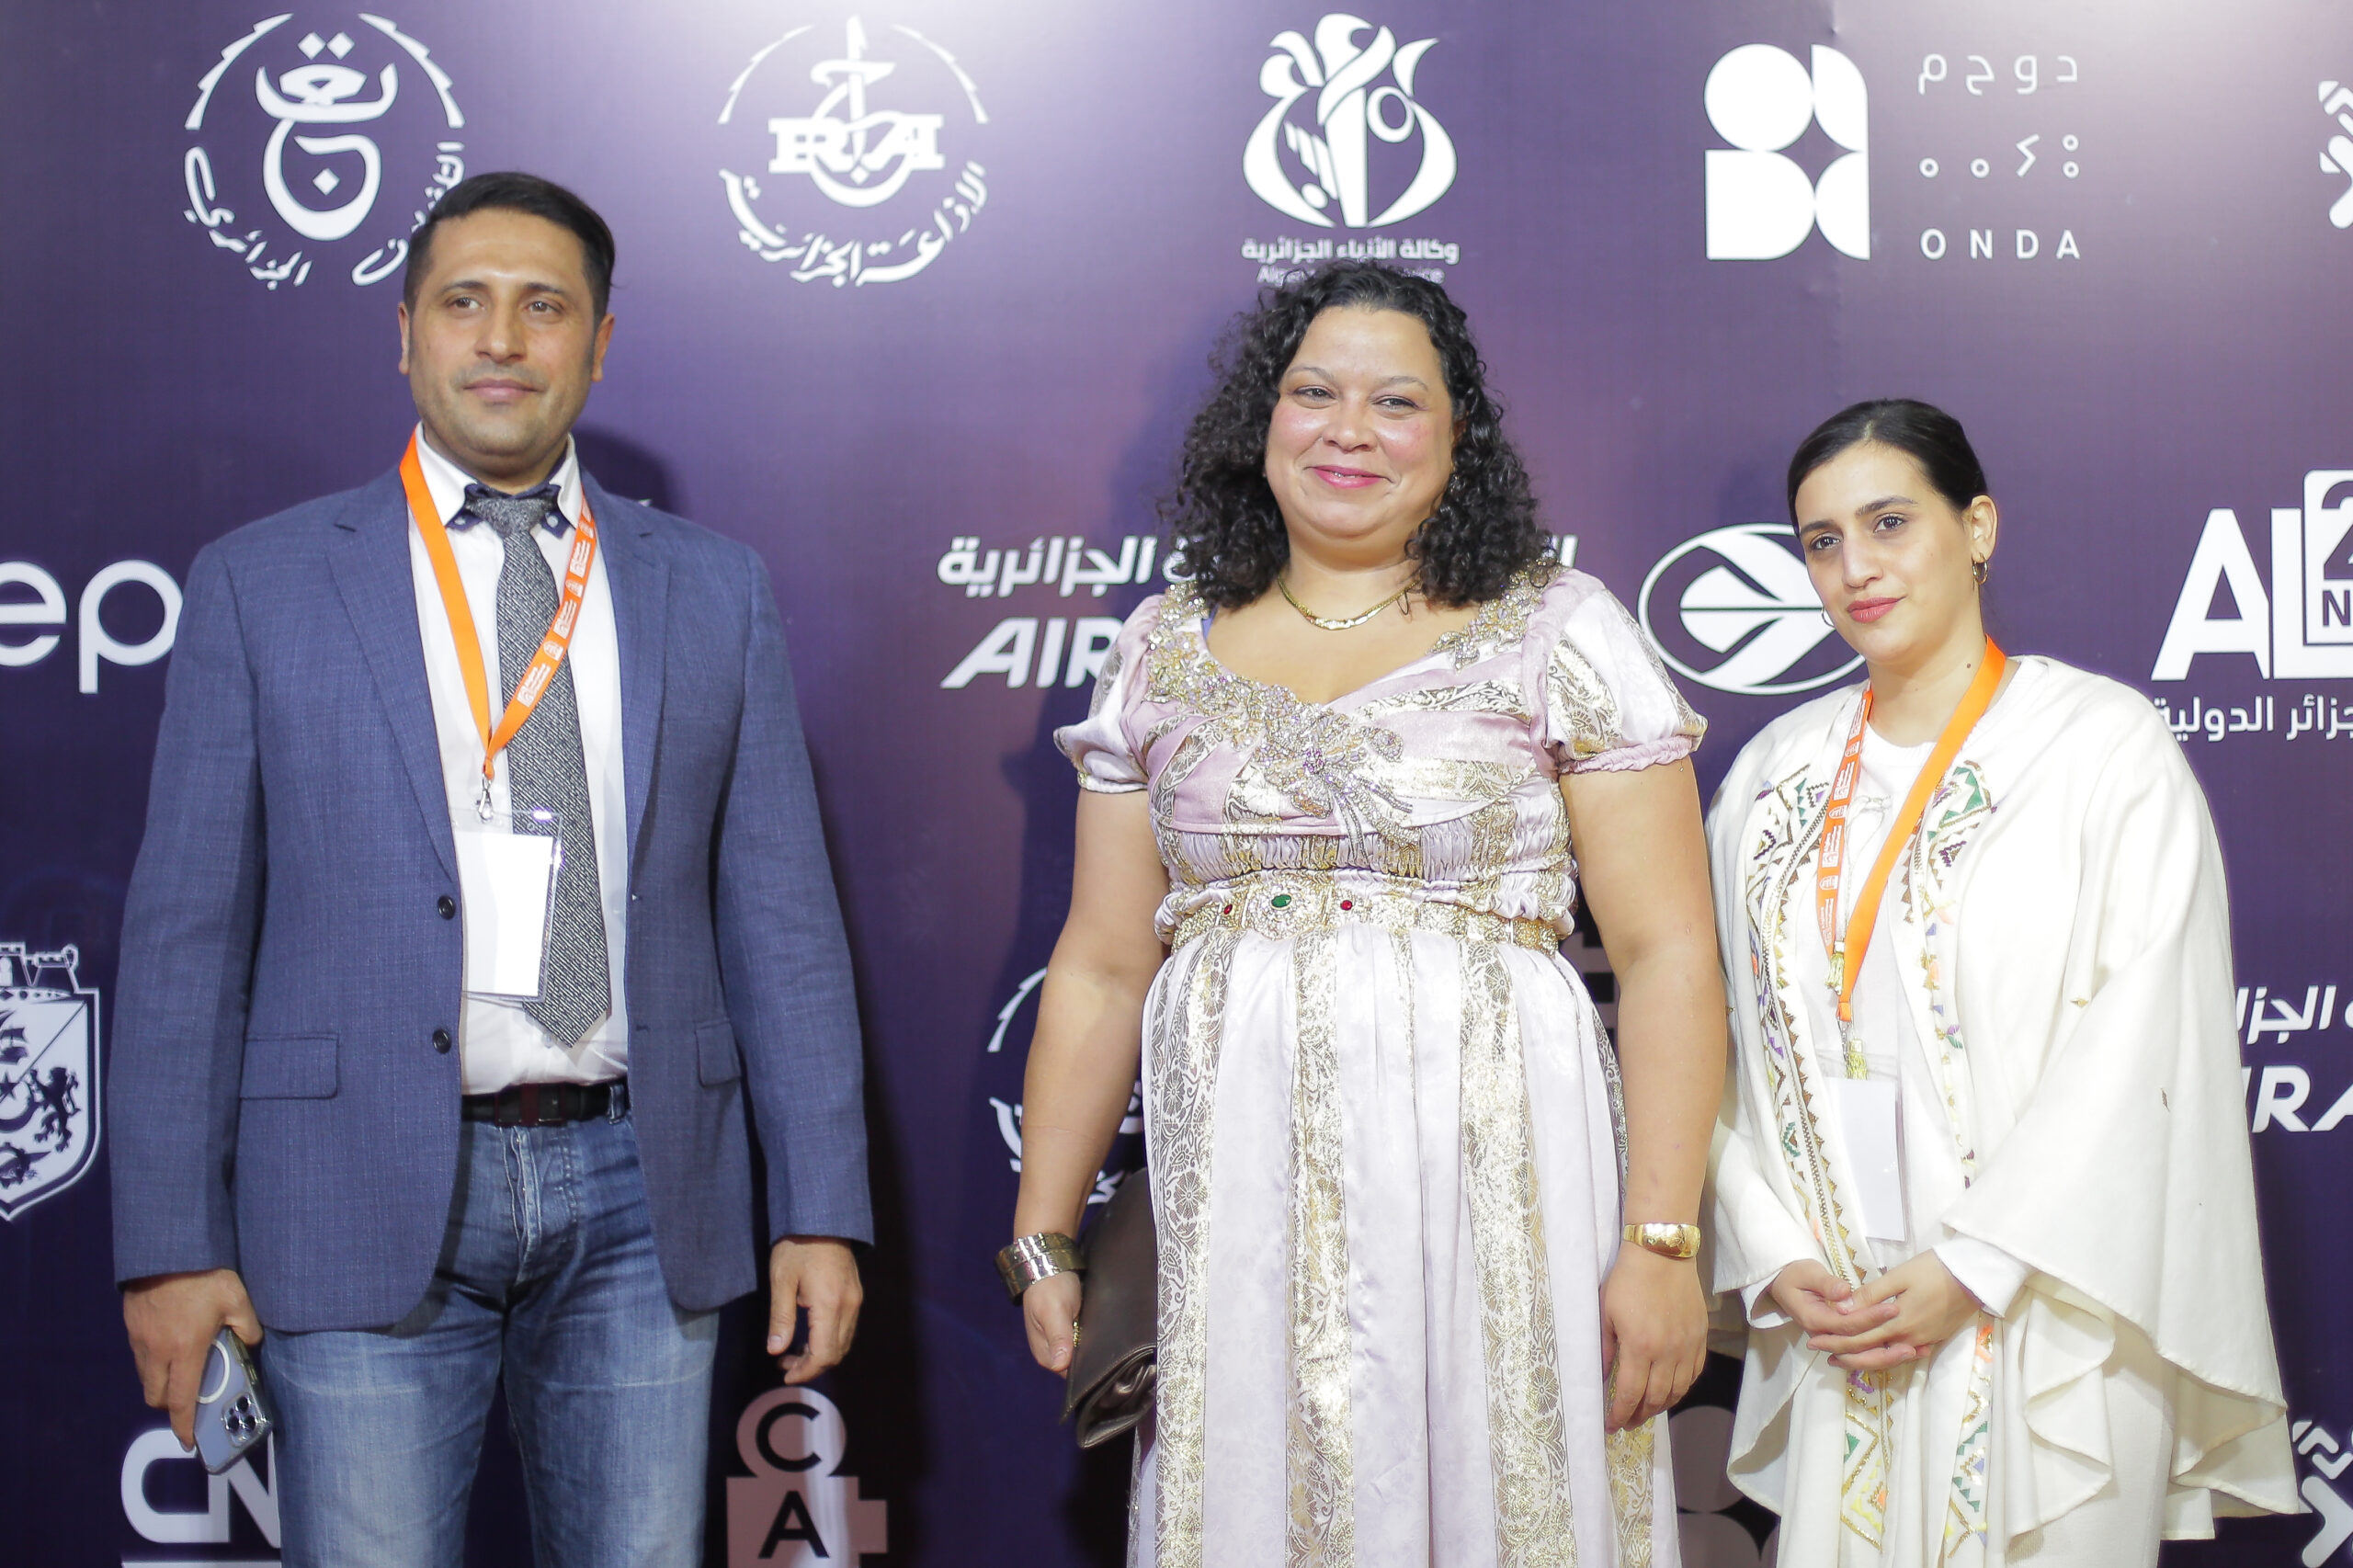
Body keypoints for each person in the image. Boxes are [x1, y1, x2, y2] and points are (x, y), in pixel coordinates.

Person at [109, 172, 870, 1567]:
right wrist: (168, 1241)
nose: (503, 339)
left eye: (544, 307)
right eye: (464, 302)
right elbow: (184, 943)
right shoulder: (261, 582)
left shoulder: (716, 587)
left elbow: (784, 921)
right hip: (352, 1186)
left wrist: (819, 1207)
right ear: (405, 332)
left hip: (647, 1190)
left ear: (601, 341)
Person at [1003, 262, 1726, 1565]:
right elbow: (1104, 963)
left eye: (1396, 401)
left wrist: (1662, 1242)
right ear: (1263, 421)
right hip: (1241, 1190)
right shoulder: (1163, 645)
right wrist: (1043, 1229)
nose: (1349, 430)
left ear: (1457, 439)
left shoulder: (1557, 628)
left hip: (1505, 1182)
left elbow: (1668, 951)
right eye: (1314, 393)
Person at [1705, 399, 2299, 1565]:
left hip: (2049, 1305)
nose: (1855, 567)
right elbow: (1714, 1042)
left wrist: (1974, 1263)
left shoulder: (2097, 747)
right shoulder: (1773, 774)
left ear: (1976, 527)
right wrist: (1776, 1254)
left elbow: (2145, 1041)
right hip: (1844, 1316)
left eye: (1888, 522)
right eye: (1822, 540)